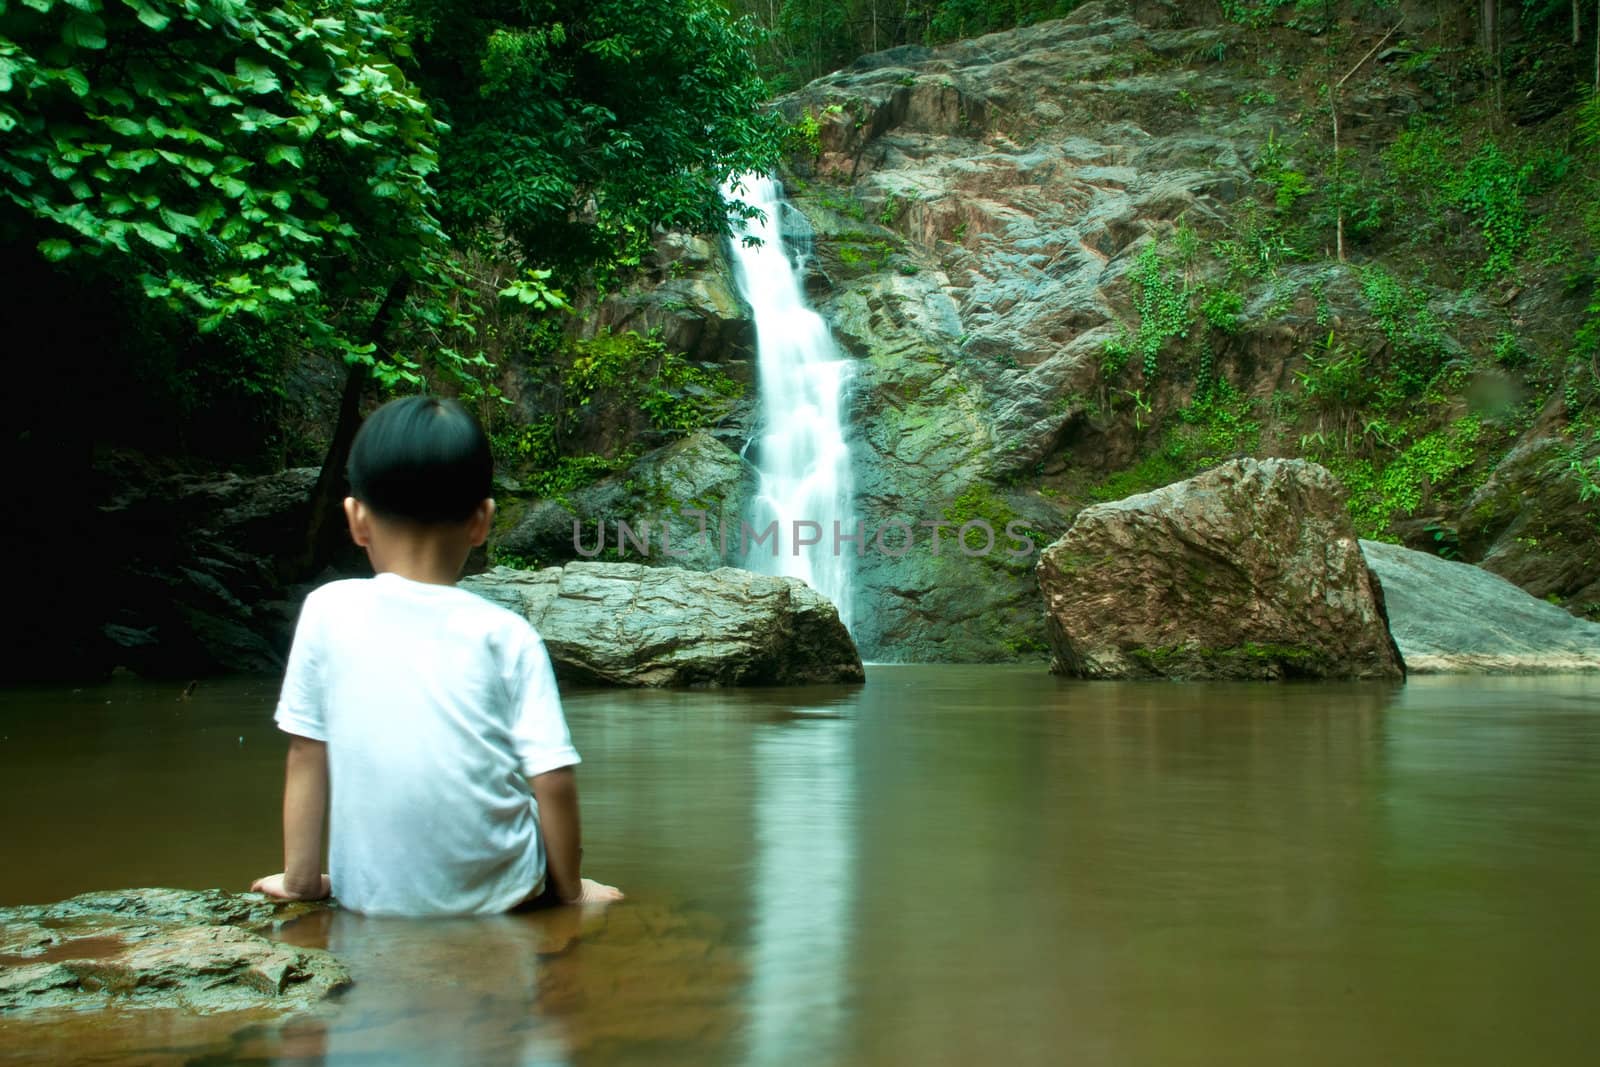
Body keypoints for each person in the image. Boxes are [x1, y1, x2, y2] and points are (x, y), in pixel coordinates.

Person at [251, 395, 622, 914]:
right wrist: (572, 891)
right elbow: (553, 780)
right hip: (502, 898)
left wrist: (301, 881)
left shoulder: (325, 611)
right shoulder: (507, 635)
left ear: (356, 520)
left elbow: (306, 753)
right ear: (482, 521)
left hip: (369, 898)